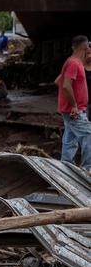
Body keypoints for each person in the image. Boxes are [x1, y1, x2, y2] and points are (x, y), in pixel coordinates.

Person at [56, 35, 91, 171]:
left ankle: (66, 166)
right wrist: (74, 105)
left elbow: (59, 82)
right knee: (88, 135)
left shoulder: (73, 62)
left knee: (70, 140)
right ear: (85, 47)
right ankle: (88, 169)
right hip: (74, 110)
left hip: (71, 109)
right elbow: (65, 85)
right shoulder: (74, 63)